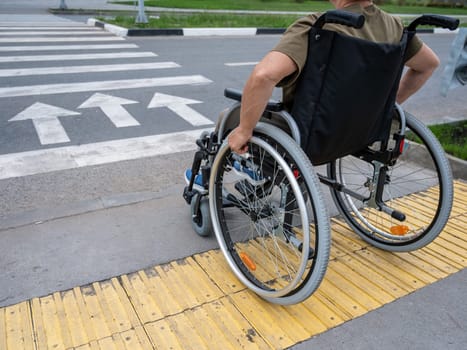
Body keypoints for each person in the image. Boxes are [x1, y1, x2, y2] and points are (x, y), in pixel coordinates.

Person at [228, 0, 440, 155]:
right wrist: (386, 106)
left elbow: (264, 75)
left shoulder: (320, 25)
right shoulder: (395, 27)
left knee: (230, 118)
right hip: (360, 131)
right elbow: (428, 64)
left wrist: (244, 129)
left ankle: (239, 171)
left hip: (308, 136)